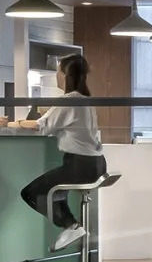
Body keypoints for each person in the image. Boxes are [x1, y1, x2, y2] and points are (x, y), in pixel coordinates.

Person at [20, 53, 107, 247]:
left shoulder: (69, 100)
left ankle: (70, 226)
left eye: (58, 72)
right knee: (55, 191)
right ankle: (71, 225)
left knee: (32, 192)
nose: (57, 76)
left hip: (79, 165)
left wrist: (13, 122)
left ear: (66, 75)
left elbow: (40, 125)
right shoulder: (86, 100)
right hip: (97, 163)